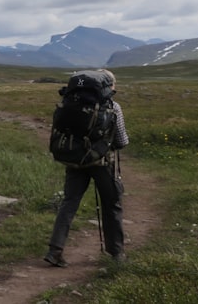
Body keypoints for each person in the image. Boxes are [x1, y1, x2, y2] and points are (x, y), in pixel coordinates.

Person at [44, 69, 129, 267]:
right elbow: (122, 140)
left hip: (74, 160)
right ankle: (116, 253)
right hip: (102, 162)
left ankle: (55, 250)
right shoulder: (113, 106)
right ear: (110, 85)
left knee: (69, 203)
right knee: (112, 205)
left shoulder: (71, 102)